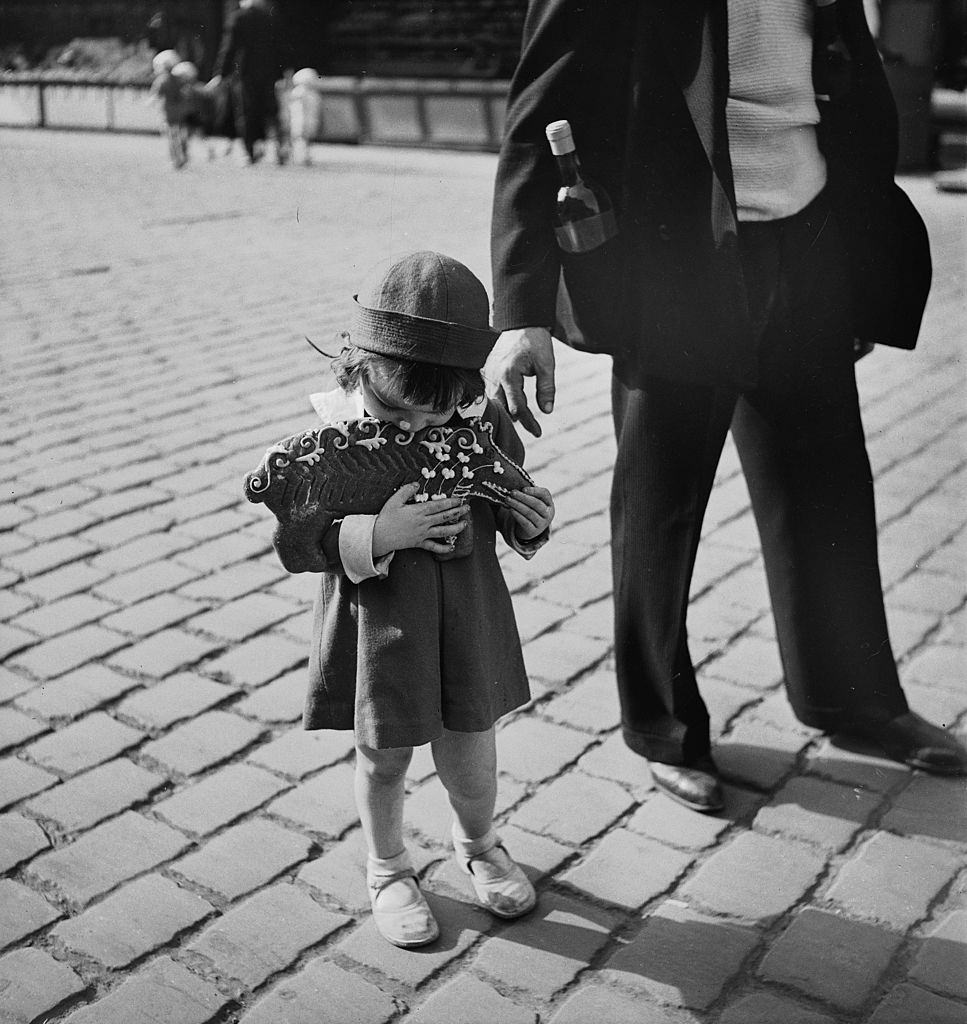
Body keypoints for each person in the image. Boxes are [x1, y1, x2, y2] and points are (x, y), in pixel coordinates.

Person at [488, 0, 967, 813]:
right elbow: (540, 109)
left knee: (827, 492)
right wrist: (522, 310)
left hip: (809, 245)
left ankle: (850, 701)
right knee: (659, 508)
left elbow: (841, 80)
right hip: (676, 263)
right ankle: (663, 728)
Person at [272, 251, 556, 947]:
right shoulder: (335, 440)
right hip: (379, 625)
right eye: (396, 413)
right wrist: (378, 531)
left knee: (472, 753)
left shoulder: (480, 418)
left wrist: (531, 524)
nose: (422, 432)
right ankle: (388, 868)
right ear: (357, 370)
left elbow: (509, 498)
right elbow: (296, 543)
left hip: (467, 615)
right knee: (385, 755)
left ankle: (480, 842)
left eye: (440, 415)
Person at [211, 0, 287, 164]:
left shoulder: (238, 17)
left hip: (244, 72)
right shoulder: (271, 18)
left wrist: (221, 73)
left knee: (246, 112)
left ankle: (250, 151)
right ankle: (278, 149)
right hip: (269, 72)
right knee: (270, 110)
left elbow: (229, 47)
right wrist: (281, 73)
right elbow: (280, 47)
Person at [149, 49, 189, 169]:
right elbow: (185, 93)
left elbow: (155, 95)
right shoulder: (179, 79)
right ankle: (184, 155)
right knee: (181, 134)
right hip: (180, 111)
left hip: (167, 112)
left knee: (171, 138)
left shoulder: (161, 80)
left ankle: (175, 160)